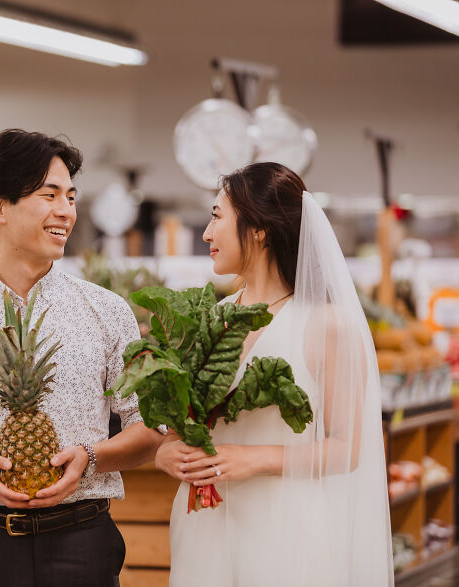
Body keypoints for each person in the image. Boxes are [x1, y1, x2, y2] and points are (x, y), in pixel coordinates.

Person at [0, 129, 163, 587]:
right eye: (49, 195)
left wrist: (91, 456)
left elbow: (147, 427)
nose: (66, 211)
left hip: (84, 539)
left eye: (71, 197)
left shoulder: (108, 311)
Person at [158, 162, 393, 586]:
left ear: (260, 228)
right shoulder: (214, 318)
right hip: (205, 524)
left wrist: (255, 458)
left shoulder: (325, 324)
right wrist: (168, 451)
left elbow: (347, 449)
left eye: (216, 217)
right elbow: (184, 423)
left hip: (285, 528)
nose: (207, 234)